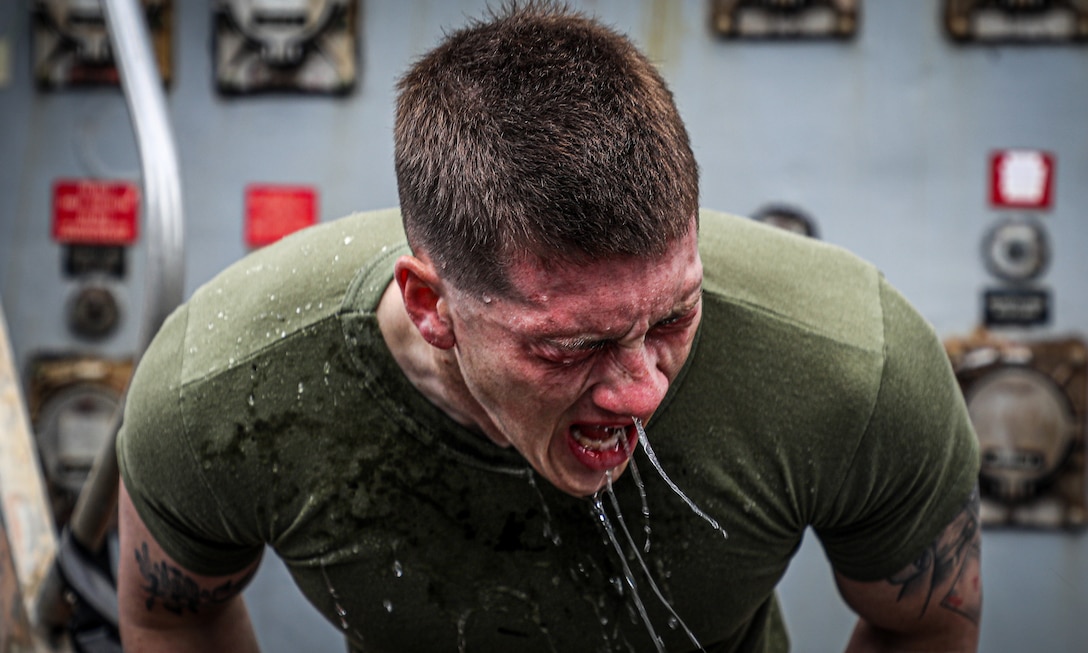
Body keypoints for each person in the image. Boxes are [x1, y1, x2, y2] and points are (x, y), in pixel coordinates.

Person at [115, 3, 982, 652]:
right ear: (430, 305)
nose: (644, 385)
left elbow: (924, 627)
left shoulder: (850, 362)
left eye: (676, 314)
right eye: (572, 345)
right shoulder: (224, 386)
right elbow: (167, 618)